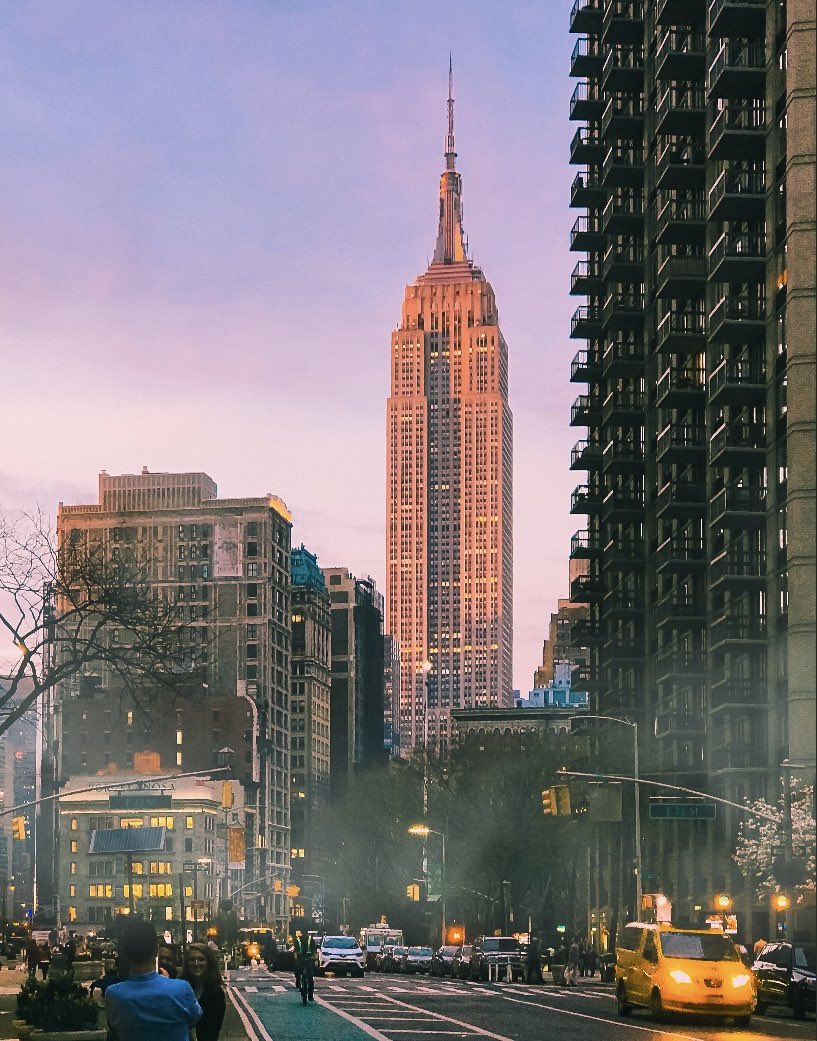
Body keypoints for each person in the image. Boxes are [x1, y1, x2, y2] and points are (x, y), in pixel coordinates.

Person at [104, 919, 202, 1041]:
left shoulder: (113, 994)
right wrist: (168, 983)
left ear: (124, 952)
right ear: (156, 950)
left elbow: (114, 1026)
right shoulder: (181, 988)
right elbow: (194, 1018)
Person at [180, 943, 226, 1041]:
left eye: (201, 959)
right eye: (192, 959)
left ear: (209, 962)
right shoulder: (181, 986)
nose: (196, 963)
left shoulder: (216, 993)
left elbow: (212, 1030)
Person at [293, 930, 316, 1001]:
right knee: (310, 978)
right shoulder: (311, 939)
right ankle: (310, 995)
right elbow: (314, 950)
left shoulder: (297, 939)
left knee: (297, 971)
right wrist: (313, 957)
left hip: (300, 959)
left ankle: (298, 982)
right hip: (308, 959)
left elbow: (295, 951)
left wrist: (296, 958)